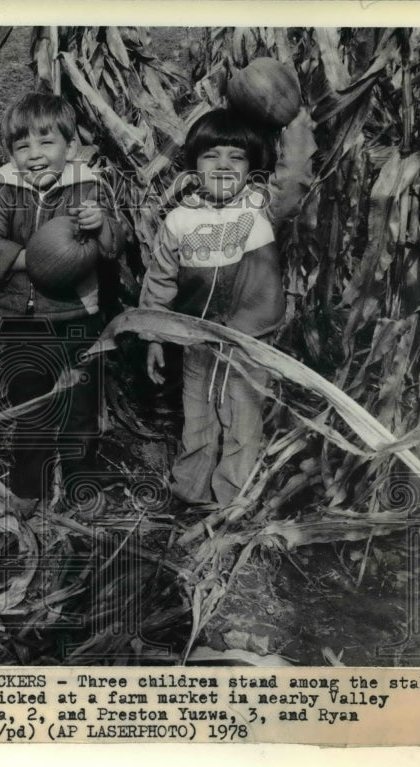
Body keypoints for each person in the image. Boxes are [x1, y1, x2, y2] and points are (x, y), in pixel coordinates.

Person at [0, 92, 129, 511]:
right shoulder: (4, 190)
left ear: (71, 147)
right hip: (22, 320)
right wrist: (34, 260)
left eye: (46, 143)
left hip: (77, 314)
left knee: (81, 408)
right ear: (10, 153)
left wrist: (101, 226)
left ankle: (81, 484)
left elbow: (115, 244)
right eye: (22, 147)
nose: (34, 155)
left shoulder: (86, 188)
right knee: (31, 406)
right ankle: (28, 487)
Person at [140, 107, 288, 508]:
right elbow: (161, 281)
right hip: (198, 338)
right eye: (211, 156)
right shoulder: (179, 220)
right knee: (198, 417)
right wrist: (153, 336)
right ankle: (190, 494)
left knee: (242, 421)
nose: (223, 165)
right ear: (193, 168)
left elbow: (297, 175)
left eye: (236, 157)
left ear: (252, 168)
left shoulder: (262, 207)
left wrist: (291, 118)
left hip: (248, 340)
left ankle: (230, 503)